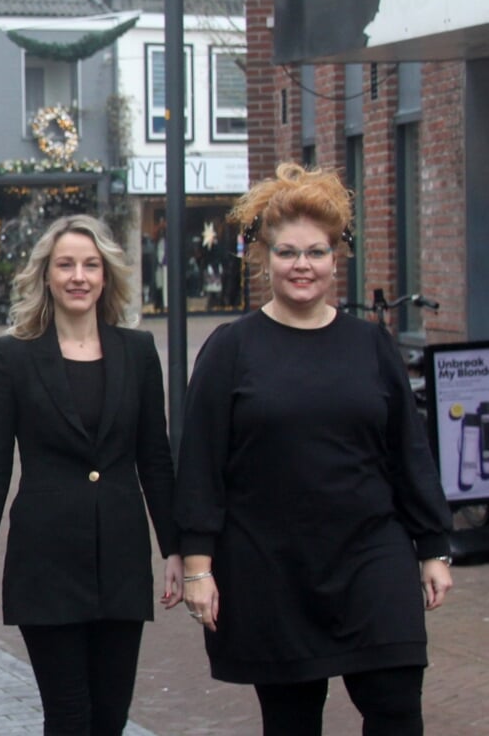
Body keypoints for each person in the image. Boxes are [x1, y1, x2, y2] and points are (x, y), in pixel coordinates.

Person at [176, 164, 453, 735]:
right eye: (287, 252)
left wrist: (433, 547)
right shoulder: (231, 350)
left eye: (316, 252)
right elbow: (200, 464)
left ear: (335, 258)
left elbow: (409, 452)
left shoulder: (371, 345)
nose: (302, 265)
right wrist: (198, 568)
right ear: (263, 258)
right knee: (293, 722)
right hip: (270, 565)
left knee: (397, 708)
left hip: (372, 556)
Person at [0, 214, 182, 736]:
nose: (78, 276)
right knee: (68, 717)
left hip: (122, 559)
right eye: (65, 265)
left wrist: (175, 548)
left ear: (106, 275)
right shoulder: (13, 356)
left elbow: (154, 457)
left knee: (109, 718)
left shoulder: (138, 352)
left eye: (90, 265)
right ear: (47, 275)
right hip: (46, 561)